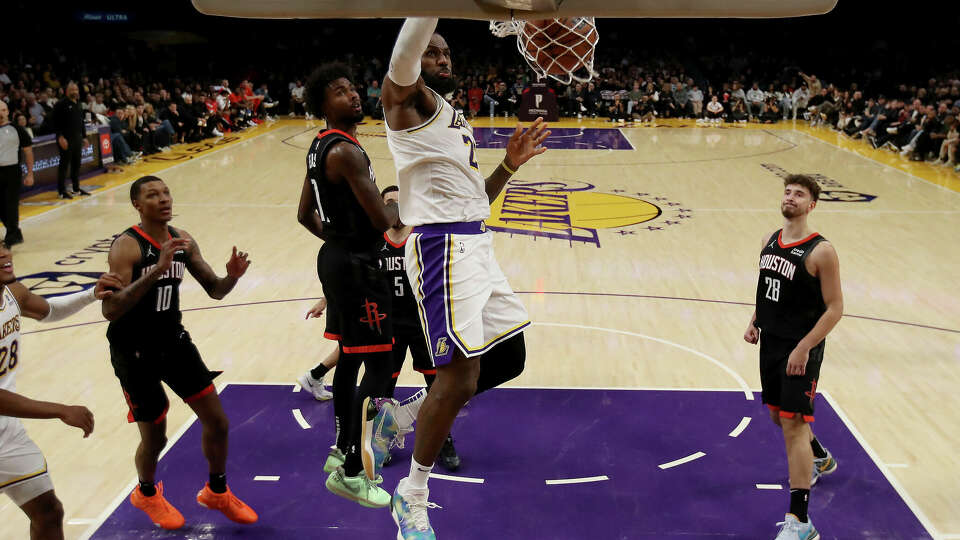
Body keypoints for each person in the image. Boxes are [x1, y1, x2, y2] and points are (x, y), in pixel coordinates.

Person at [379, 17, 549, 539]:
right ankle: (411, 497)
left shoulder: (451, 114)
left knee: (510, 355)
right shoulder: (406, 105)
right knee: (459, 378)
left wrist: (509, 166)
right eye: (432, 52)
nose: (443, 58)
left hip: (474, 241)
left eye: (447, 52)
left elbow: (472, 200)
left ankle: (402, 416)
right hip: (442, 247)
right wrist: (428, 8)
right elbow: (402, 63)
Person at [102, 175, 258, 530]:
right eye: (152, 195)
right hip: (133, 348)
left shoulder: (182, 241)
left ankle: (217, 491)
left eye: (166, 192)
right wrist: (156, 270)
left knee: (217, 420)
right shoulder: (126, 246)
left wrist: (232, 277)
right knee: (155, 436)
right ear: (138, 206)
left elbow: (216, 290)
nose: (163, 199)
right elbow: (111, 310)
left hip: (172, 340)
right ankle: (146, 492)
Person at [296, 62, 401, 509]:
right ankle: (353, 472)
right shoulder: (347, 153)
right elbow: (383, 221)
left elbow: (305, 214)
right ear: (324, 104)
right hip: (357, 267)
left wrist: (340, 243)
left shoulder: (320, 148)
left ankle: (341, 449)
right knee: (380, 364)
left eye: (353, 87)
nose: (354, 95)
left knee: (351, 359)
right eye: (340, 91)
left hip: (338, 260)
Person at [0, 242, 123, 540]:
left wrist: (91, 294)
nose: (5, 254)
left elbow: (50, 310)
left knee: (48, 511)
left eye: (4, 246)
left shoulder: (12, 294)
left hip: (7, 434)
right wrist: (59, 410)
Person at [744, 174, 842, 540]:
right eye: (787, 192)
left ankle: (801, 522)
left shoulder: (821, 251)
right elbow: (768, 289)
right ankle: (819, 456)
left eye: (799, 194)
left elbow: (835, 308)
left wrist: (803, 348)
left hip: (801, 349)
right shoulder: (771, 239)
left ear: (811, 205)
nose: (790, 197)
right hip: (771, 342)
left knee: (794, 423)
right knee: (777, 415)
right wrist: (755, 320)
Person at [0, 101, 34, 246]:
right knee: (1, 206)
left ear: (7, 111)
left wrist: (30, 174)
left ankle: (11, 235)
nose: (0, 113)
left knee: (11, 204)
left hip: (12, 170)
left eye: (3, 110)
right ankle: (15, 232)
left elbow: (28, 152)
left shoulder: (17, 129)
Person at [51, 82, 90, 199]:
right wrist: (60, 137)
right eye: (72, 90)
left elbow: (81, 122)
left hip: (77, 138)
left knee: (76, 164)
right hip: (65, 139)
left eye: (76, 90)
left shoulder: (78, 104)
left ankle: (76, 188)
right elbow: (54, 122)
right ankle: (61, 191)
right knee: (64, 165)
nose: (75, 92)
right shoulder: (60, 104)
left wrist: (84, 136)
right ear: (66, 91)